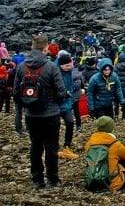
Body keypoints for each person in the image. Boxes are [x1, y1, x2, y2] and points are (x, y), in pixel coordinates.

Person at [12, 34, 67, 189]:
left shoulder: (22, 67)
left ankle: (37, 180)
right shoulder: (51, 67)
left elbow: (16, 92)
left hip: (31, 114)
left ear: (32, 47)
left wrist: (28, 104)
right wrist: (53, 101)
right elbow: (61, 91)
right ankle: (52, 180)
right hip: (50, 113)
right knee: (51, 147)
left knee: (35, 146)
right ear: (45, 48)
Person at [84, 115, 125, 191]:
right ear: (111, 128)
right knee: (123, 160)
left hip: (91, 183)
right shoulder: (114, 144)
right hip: (112, 184)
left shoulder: (90, 143)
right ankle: (123, 183)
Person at [55, 51, 80, 160]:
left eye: (70, 65)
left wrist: (69, 94)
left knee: (70, 122)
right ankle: (54, 148)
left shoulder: (68, 71)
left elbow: (70, 85)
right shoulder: (54, 72)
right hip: (55, 104)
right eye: (66, 66)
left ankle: (66, 145)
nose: (69, 67)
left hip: (66, 102)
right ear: (60, 65)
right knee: (55, 126)